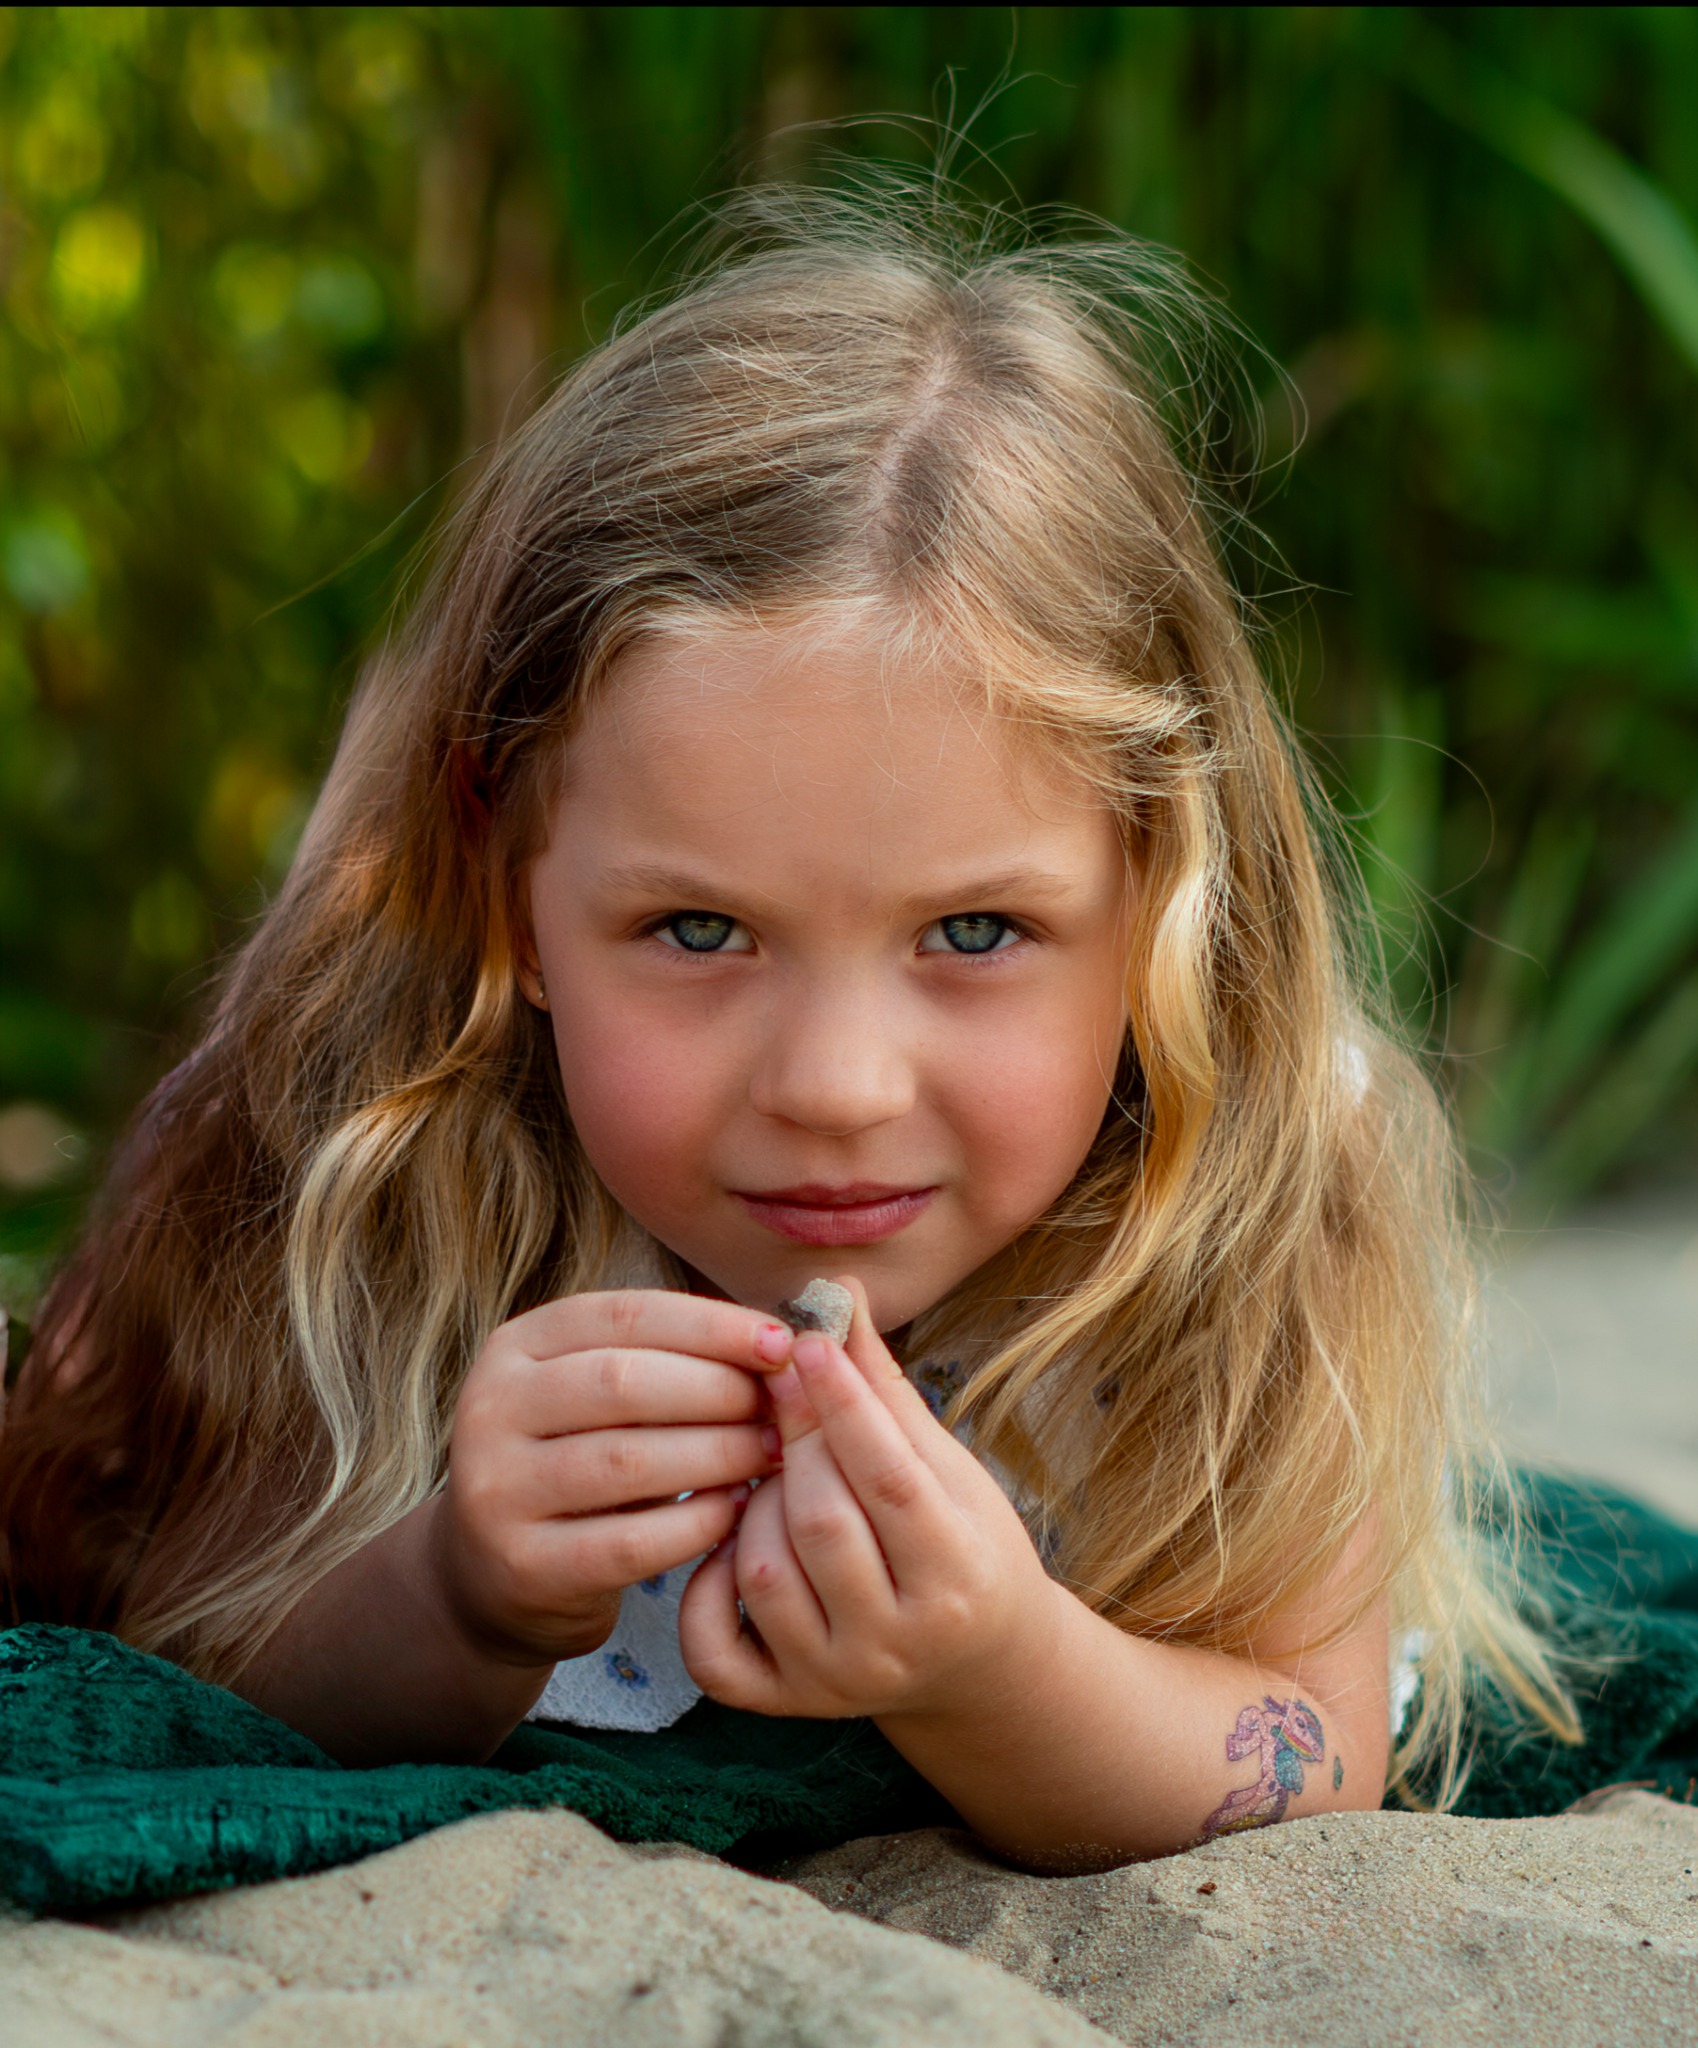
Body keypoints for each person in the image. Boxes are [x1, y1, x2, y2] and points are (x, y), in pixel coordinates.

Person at [0, 183, 1579, 1869]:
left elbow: (1306, 1751)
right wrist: (455, 1593)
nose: (833, 1089)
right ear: (504, 881)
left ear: (1154, 884)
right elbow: (190, 1655)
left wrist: (1003, 1671)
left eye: (975, 932)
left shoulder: (1262, 1179)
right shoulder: (389, 1140)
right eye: (697, 930)